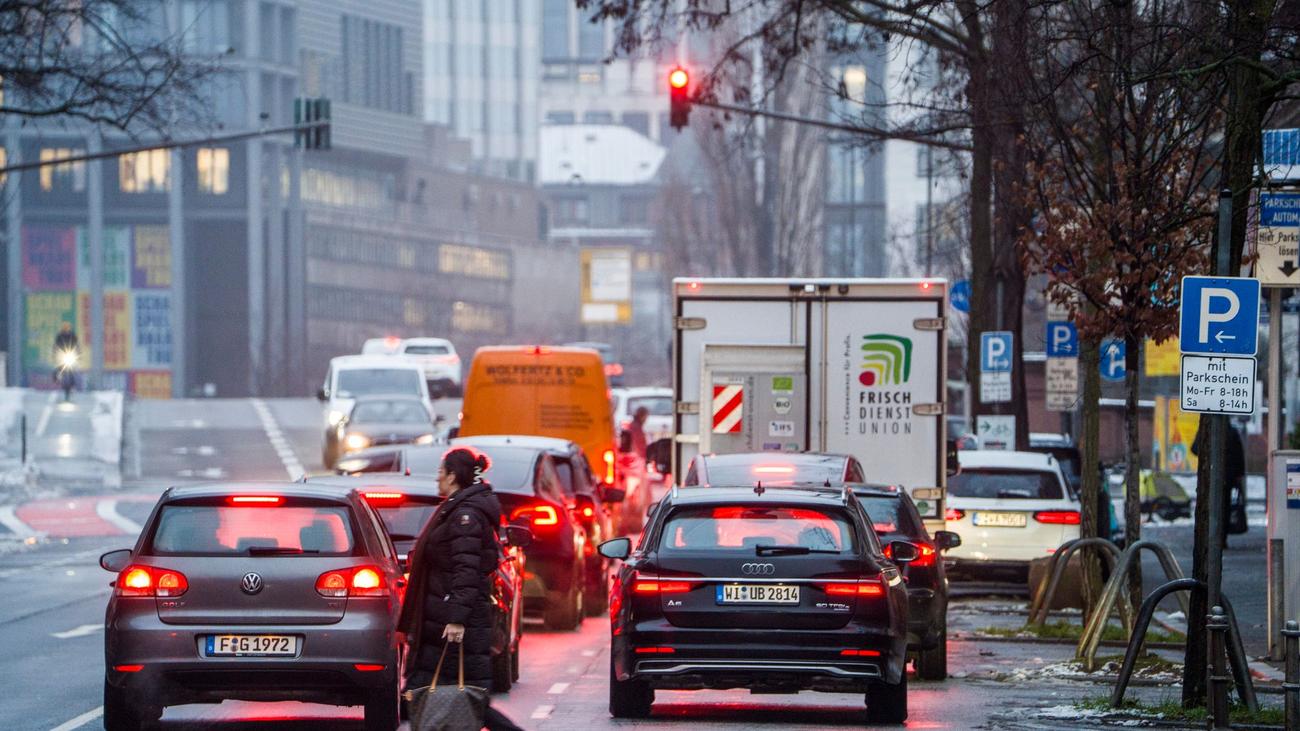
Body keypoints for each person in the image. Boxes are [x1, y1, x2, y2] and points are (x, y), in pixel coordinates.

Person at [398, 447, 523, 731]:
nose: (437, 478)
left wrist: (456, 618)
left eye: (440, 472)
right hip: (442, 619)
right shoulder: (457, 509)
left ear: (452, 476)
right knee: (444, 695)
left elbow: (467, 570)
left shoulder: (465, 515)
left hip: (452, 624)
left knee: (462, 698)